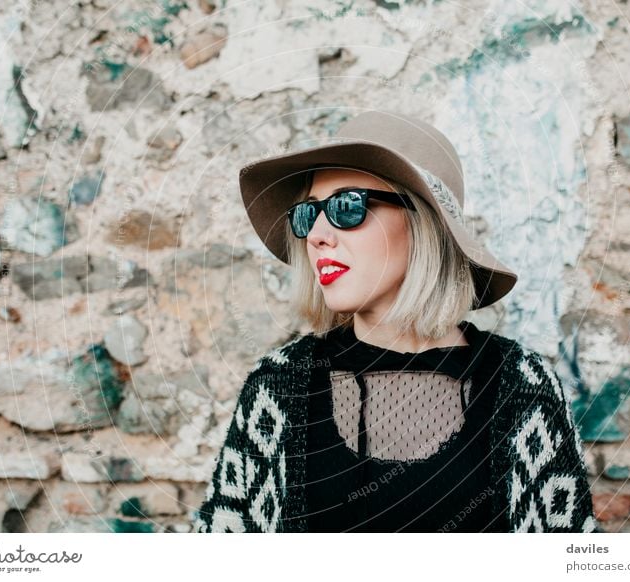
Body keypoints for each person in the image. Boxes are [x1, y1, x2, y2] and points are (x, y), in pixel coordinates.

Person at [193, 110, 601, 533]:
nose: (316, 234)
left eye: (346, 207)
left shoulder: (523, 388)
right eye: (308, 213)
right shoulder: (276, 389)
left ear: (424, 223)